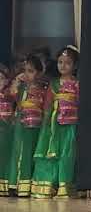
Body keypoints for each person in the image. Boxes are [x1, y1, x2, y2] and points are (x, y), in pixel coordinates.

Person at [31, 46, 80, 199]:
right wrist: (46, 124)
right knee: (51, 154)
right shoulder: (54, 84)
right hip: (54, 125)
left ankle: (65, 186)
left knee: (68, 154)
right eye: (60, 62)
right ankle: (47, 186)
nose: (63, 66)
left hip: (71, 125)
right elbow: (47, 104)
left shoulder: (78, 83)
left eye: (67, 63)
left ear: (75, 66)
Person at [5, 54, 48, 197]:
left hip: (36, 126)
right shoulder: (22, 88)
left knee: (31, 154)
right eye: (25, 70)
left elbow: (45, 108)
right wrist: (16, 81)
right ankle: (14, 185)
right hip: (21, 124)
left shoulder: (43, 89)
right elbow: (12, 96)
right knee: (19, 152)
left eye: (31, 71)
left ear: (39, 72)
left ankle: (28, 185)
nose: (27, 74)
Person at [0, 64, 14, 196]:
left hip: (6, 132)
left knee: (4, 157)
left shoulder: (10, 94)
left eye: (1, 79)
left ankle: (4, 185)